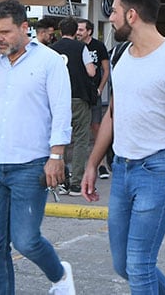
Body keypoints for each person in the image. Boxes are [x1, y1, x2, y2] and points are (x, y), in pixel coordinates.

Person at [81, 0, 165, 295]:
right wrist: (92, 164)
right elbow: (114, 113)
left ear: (132, 15)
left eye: (114, 11)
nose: (110, 17)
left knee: (139, 265)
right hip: (123, 170)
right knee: (123, 264)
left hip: (159, 171)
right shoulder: (122, 53)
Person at [0, 0, 77, 295]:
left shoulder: (49, 61)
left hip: (31, 164)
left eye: (6, 31)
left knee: (26, 240)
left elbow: (62, 113)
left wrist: (56, 156)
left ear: (25, 28)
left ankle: (60, 275)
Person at [49, 16, 96, 196]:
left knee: (59, 139)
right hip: (78, 97)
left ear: (61, 32)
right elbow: (91, 71)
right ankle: (76, 183)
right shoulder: (81, 47)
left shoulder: (52, 50)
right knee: (81, 140)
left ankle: (60, 180)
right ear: (76, 31)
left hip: (57, 100)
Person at [75, 17, 112, 178]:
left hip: (93, 92)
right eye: (76, 29)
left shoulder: (98, 46)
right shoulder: (75, 46)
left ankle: (101, 164)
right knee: (78, 130)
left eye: (81, 29)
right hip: (78, 93)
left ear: (89, 31)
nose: (78, 32)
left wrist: (100, 88)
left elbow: (105, 69)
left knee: (96, 127)